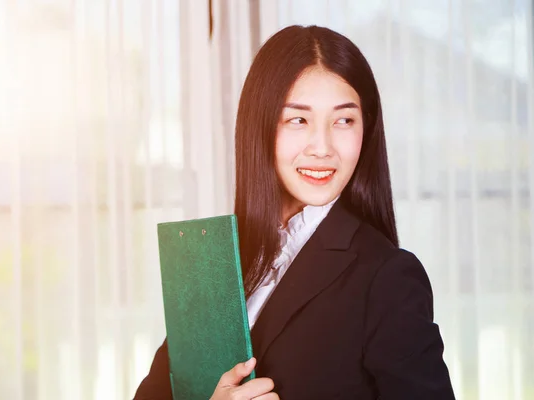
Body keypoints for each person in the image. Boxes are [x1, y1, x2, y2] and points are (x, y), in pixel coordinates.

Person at [134, 25, 455, 399]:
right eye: (298, 120)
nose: (322, 147)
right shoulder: (213, 261)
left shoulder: (387, 278)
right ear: (260, 127)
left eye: (344, 120)